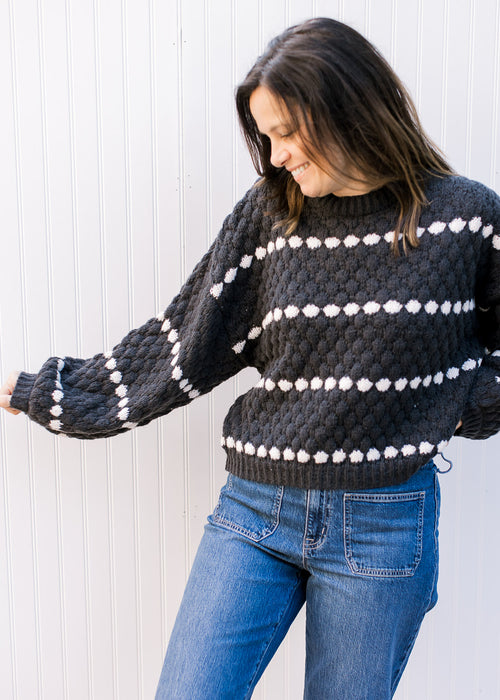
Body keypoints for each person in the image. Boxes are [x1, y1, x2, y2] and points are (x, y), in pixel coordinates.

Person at [1, 16, 499, 699]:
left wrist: (455, 399)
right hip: (256, 511)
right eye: (266, 136)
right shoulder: (270, 216)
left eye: (287, 133)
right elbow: (183, 342)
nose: (276, 154)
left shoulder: (465, 218)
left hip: (383, 527)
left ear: (350, 110)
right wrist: (47, 391)